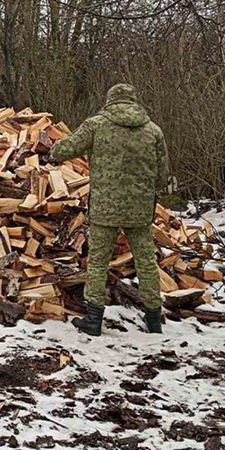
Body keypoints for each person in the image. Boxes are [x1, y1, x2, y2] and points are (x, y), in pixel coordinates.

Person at [50, 84, 170, 336]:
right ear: (134, 101)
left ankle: (93, 320)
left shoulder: (97, 125)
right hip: (140, 209)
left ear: (110, 101)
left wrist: (52, 149)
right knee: (146, 262)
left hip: (105, 208)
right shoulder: (153, 131)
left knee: (98, 262)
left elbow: (64, 149)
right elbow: (162, 177)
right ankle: (154, 321)